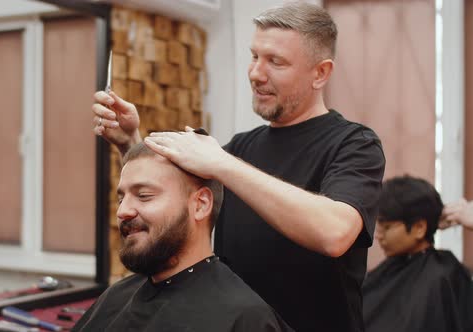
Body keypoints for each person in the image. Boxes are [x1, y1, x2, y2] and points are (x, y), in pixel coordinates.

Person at [91, 3, 385, 331]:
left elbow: (335, 234)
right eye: (254, 56)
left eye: (275, 61)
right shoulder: (241, 147)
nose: (256, 73)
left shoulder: (355, 144)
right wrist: (129, 141)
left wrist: (223, 164)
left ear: (320, 73)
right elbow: (172, 208)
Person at [72, 143, 292, 332]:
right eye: (121, 198)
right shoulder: (116, 297)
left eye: (144, 196)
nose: (123, 211)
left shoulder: (244, 317)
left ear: (200, 205)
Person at [362, 175, 473, 332]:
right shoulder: (382, 275)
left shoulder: (443, 276)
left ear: (419, 227)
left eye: (386, 227)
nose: (378, 235)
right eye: (378, 227)